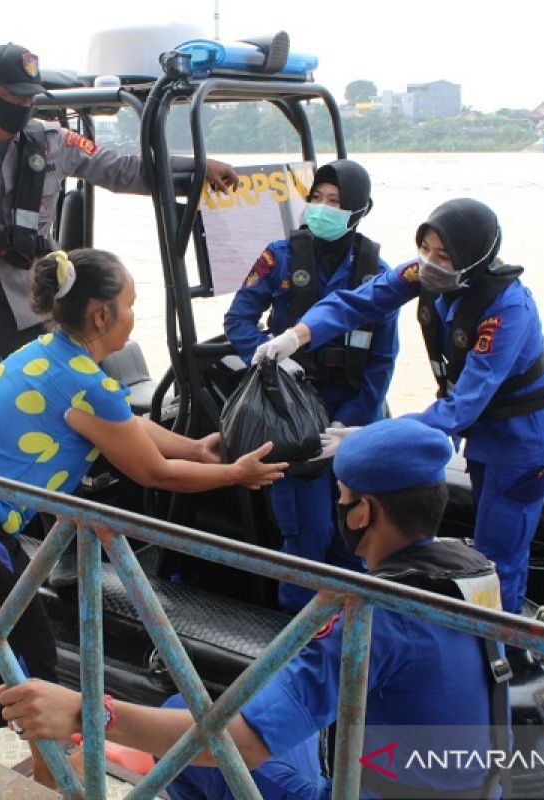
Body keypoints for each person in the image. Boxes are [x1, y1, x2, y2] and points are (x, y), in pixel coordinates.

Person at [0, 248, 285, 786]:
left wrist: (198, 449)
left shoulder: (50, 353)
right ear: (101, 315)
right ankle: (59, 780)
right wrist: (235, 474)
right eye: (130, 305)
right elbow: (152, 472)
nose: (132, 317)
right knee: (25, 658)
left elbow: (129, 427)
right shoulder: (84, 382)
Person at [0, 419, 508, 798]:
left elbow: (241, 745)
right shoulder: (473, 572)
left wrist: (91, 712)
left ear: (363, 512)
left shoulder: (376, 618)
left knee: (189, 729)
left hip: (368, 785)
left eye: (343, 497)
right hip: (456, 783)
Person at [254, 198, 544, 614]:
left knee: (500, 553)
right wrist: (296, 335)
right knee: (487, 533)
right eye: (425, 249)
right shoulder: (428, 275)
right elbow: (358, 302)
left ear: (474, 258)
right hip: (477, 427)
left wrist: (375, 434)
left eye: (443, 255)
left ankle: (501, 656)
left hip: (523, 435)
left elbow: (464, 405)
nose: (429, 262)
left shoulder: (507, 310)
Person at [0, 42, 240, 398]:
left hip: (33, 298)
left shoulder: (55, 143)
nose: (23, 107)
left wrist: (198, 168)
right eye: (14, 98)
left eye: (29, 99)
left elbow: (123, 169)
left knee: (41, 399)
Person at [223, 159, 399, 611]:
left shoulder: (379, 275)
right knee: (306, 536)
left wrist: (350, 426)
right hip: (289, 408)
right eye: (316, 198)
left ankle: (350, 639)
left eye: (335, 202)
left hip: (353, 411)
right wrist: (271, 360)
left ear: (359, 210)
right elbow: (239, 318)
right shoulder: (278, 256)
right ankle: (294, 641)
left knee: (356, 533)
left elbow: (382, 359)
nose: (322, 208)